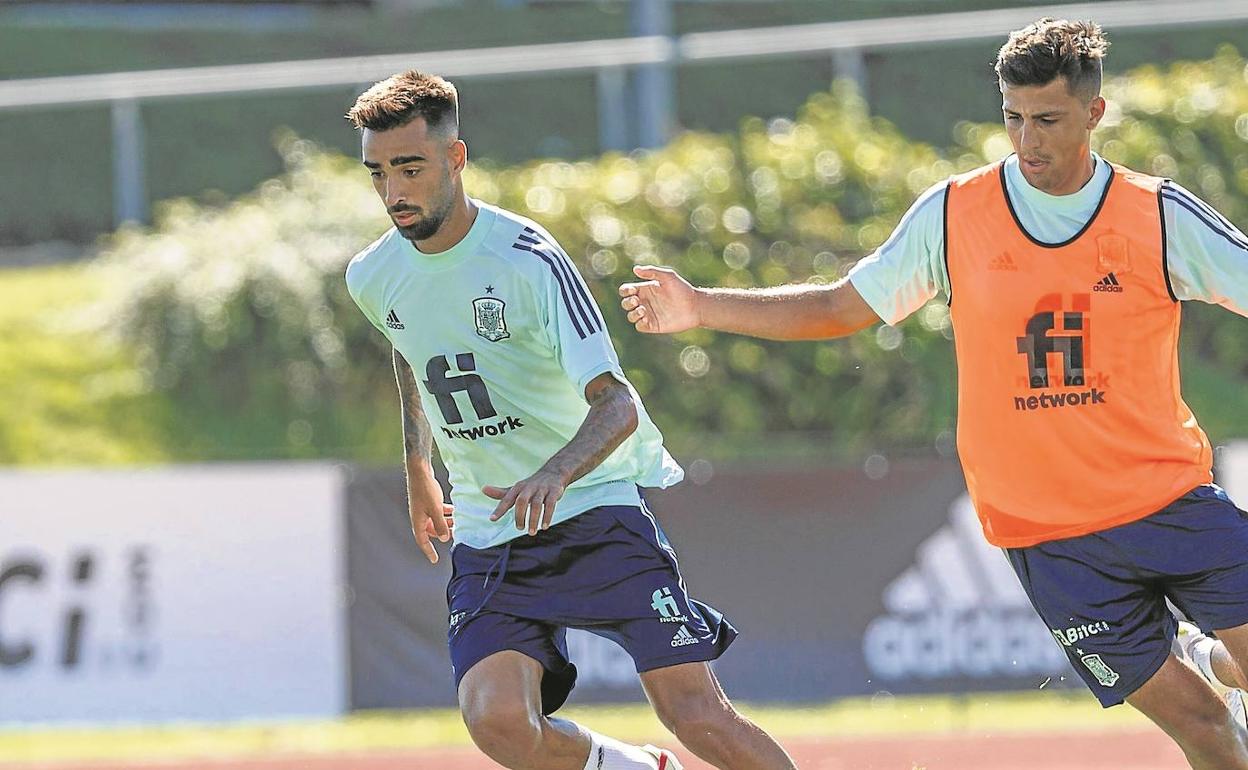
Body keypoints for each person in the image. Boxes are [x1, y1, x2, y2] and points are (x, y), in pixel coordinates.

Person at [619, 18, 1248, 770]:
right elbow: (841, 306)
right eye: (1013, 118)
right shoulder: (954, 214)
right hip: (1048, 538)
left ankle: (1216, 659)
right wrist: (703, 307)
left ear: (1095, 114)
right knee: (1206, 732)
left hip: (1169, 504)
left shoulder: (1156, 215)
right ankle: (1211, 671)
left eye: (1048, 120)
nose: (1028, 141)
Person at [343, 70, 798, 770]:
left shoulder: (526, 261)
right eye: (378, 173)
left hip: (593, 511)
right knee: (496, 720)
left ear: (456, 159)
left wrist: (552, 474)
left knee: (693, 712)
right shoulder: (372, 276)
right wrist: (416, 465)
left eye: (410, 167)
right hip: (492, 531)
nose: (394, 192)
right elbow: (410, 347)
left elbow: (617, 404)